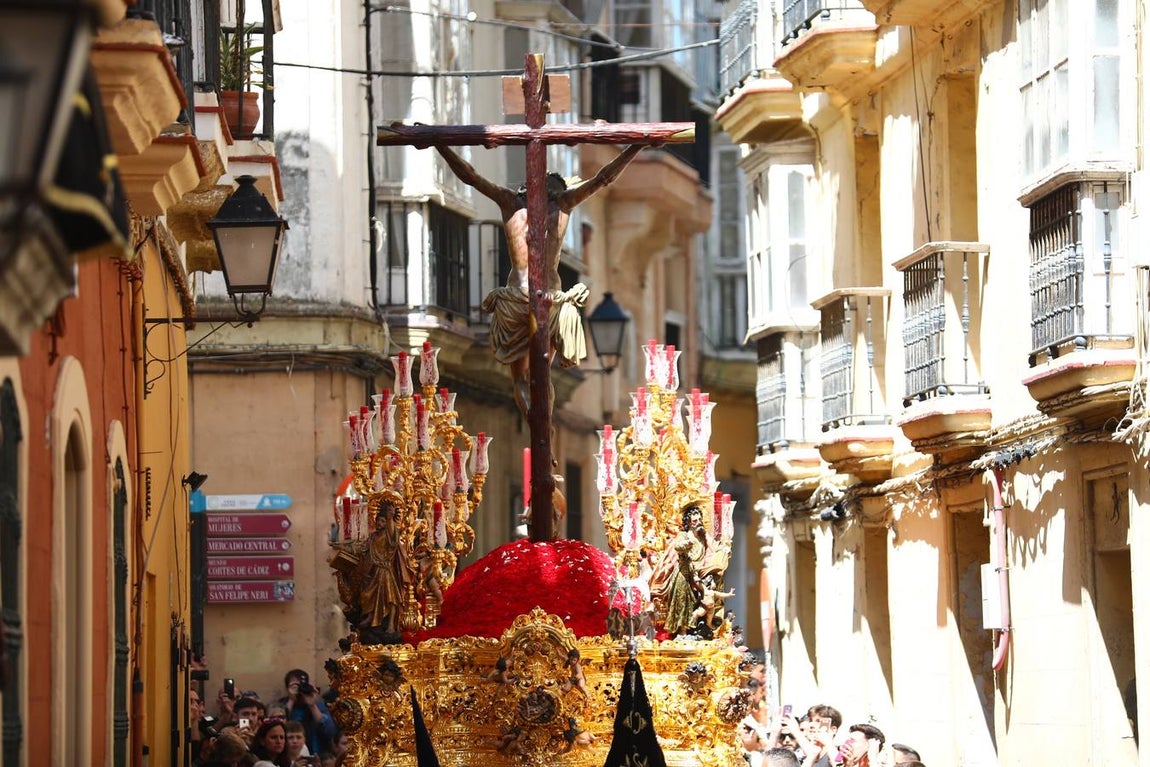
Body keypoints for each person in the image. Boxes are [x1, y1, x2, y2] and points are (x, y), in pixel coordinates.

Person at [435, 143, 646, 418]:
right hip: (548, 301)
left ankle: (538, 423)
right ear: (557, 190)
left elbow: (470, 175)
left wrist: (440, 145)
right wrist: (637, 145)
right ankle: (543, 425)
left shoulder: (509, 202)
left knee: (521, 379)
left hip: (514, 301)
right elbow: (604, 178)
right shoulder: (563, 204)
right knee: (542, 377)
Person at [650, 503, 711, 636]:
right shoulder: (684, 535)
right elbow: (678, 546)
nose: (698, 523)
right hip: (683, 575)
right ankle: (682, 632)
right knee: (683, 603)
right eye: (695, 520)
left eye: (700, 520)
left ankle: (698, 629)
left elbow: (710, 549)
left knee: (704, 600)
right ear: (688, 522)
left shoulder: (702, 537)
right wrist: (686, 544)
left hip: (697, 575)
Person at [278, 669, 337, 757]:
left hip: (317, 754)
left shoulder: (318, 706)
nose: (299, 689)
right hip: (288, 756)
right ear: (287, 688)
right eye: (294, 686)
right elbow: (278, 726)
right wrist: (291, 700)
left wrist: (312, 705)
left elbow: (329, 731)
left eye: (301, 685)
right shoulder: (281, 705)